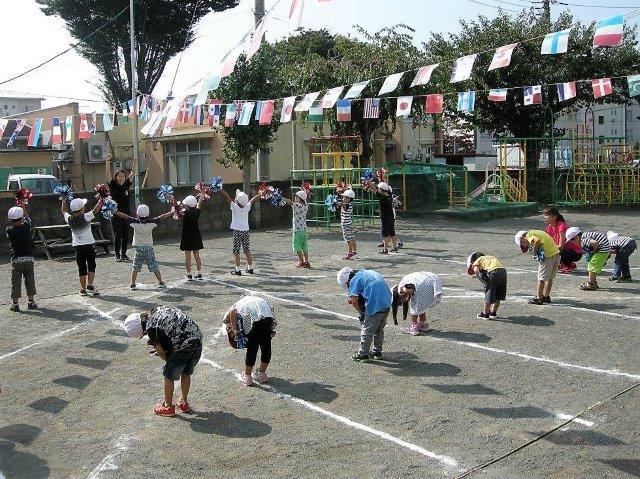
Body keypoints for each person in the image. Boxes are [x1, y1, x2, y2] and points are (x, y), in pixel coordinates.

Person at [124, 306, 202, 417]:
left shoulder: (151, 328)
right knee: (186, 372)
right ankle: (183, 403)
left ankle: (168, 407)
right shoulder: (157, 310)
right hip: (197, 338)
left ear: (141, 330)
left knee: (168, 375)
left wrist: (169, 361)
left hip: (182, 345)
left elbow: (160, 352)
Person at [336, 267, 392, 362]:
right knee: (379, 329)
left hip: (375, 305)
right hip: (386, 303)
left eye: (346, 284)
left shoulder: (354, 279)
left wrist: (362, 313)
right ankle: (377, 352)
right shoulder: (368, 272)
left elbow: (354, 302)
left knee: (367, 331)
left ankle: (363, 354)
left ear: (347, 279)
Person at [114, 204, 174, 290]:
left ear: (137, 214)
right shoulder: (152, 223)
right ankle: (160, 282)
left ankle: (132, 283)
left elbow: (125, 216)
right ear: (148, 214)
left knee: (135, 266)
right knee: (154, 265)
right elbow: (161, 217)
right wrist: (172, 212)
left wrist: (115, 211)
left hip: (139, 249)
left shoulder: (134, 222)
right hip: (149, 248)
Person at [223, 295, 277, 387]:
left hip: (251, 318)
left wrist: (234, 329)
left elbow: (232, 312)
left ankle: (247, 376)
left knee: (252, 346)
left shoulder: (236, 307)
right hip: (267, 317)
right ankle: (261, 374)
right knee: (266, 346)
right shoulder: (252, 301)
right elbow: (271, 308)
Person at [62, 196, 104, 296]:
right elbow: (96, 209)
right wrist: (101, 199)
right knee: (91, 265)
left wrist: (63, 199)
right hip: (89, 245)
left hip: (78, 247)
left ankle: (83, 289)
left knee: (81, 268)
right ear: (82, 209)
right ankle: (90, 284)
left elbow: (64, 211)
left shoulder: (70, 219)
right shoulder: (86, 216)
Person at [220, 189, 261, 275]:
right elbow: (253, 200)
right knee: (247, 250)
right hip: (245, 231)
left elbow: (227, 197)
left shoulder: (234, 206)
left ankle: (237, 269)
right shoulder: (247, 206)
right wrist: (261, 193)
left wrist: (220, 189)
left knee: (236, 251)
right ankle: (250, 268)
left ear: (237, 200)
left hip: (237, 231)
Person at [105, 153, 137, 262]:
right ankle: (117, 255)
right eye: (119, 176)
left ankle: (124, 254)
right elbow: (108, 173)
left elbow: (133, 173)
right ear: (116, 177)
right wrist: (107, 161)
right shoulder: (113, 185)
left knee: (125, 234)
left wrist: (135, 162)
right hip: (115, 213)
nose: (121, 177)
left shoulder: (126, 185)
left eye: (123, 175)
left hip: (126, 213)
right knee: (117, 234)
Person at [515, 229, 560, 305]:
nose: (526, 245)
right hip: (556, 253)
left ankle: (539, 298)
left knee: (541, 278)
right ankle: (546, 296)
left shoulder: (529, 235)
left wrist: (535, 251)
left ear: (523, 237)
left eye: (523, 242)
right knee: (550, 277)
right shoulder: (536, 232)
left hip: (548, 255)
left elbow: (537, 240)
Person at [6, 203, 37, 312]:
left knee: (15, 282)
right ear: (22, 217)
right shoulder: (26, 226)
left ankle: (15, 304)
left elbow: (20, 220)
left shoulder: (9, 230)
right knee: (30, 281)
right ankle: (31, 301)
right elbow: (28, 219)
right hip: (29, 258)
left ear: (10, 219)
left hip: (16, 260)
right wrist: (23, 205)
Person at [466, 252, 507, 319]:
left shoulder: (477, 261)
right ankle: (493, 313)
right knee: (498, 294)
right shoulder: (489, 257)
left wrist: (482, 280)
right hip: (503, 272)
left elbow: (476, 270)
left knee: (489, 292)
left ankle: (485, 314)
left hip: (493, 272)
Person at [543, 206, 582, 273]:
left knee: (555, 251)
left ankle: (568, 265)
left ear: (554, 217)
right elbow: (545, 239)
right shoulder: (550, 227)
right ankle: (567, 264)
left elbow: (561, 246)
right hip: (566, 251)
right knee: (546, 250)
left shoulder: (561, 226)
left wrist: (549, 251)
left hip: (575, 253)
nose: (544, 217)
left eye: (547, 215)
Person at [179, 195, 205, 280]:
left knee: (188, 257)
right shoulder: (197, 212)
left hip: (187, 237)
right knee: (197, 256)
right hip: (196, 236)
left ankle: (189, 274)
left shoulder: (184, 213)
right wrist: (200, 198)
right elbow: (198, 205)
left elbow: (179, 207)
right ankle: (199, 272)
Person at [284, 189, 310, 268]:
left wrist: (281, 198)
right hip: (304, 230)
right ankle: (307, 262)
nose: (295, 198)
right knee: (305, 246)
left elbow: (290, 202)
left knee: (298, 247)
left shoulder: (297, 205)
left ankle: (301, 262)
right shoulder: (306, 205)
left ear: (300, 199)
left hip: (297, 231)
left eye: (296, 197)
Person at [370, 182, 398, 254]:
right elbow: (377, 189)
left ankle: (385, 250)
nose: (378, 189)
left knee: (385, 234)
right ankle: (395, 247)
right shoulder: (389, 194)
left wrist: (368, 181)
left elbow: (374, 189)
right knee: (392, 232)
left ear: (382, 190)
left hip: (385, 218)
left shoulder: (382, 197)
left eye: (379, 189)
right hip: (391, 216)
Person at [338, 189, 357, 260]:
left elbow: (342, 204)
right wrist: (340, 191)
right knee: (352, 237)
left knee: (348, 239)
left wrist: (335, 203)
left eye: (344, 197)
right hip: (349, 223)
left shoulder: (347, 205)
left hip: (346, 225)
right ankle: (354, 251)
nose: (343, 198)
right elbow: (342, 202)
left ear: (348, 198)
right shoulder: (349, 203)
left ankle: (350, 253)